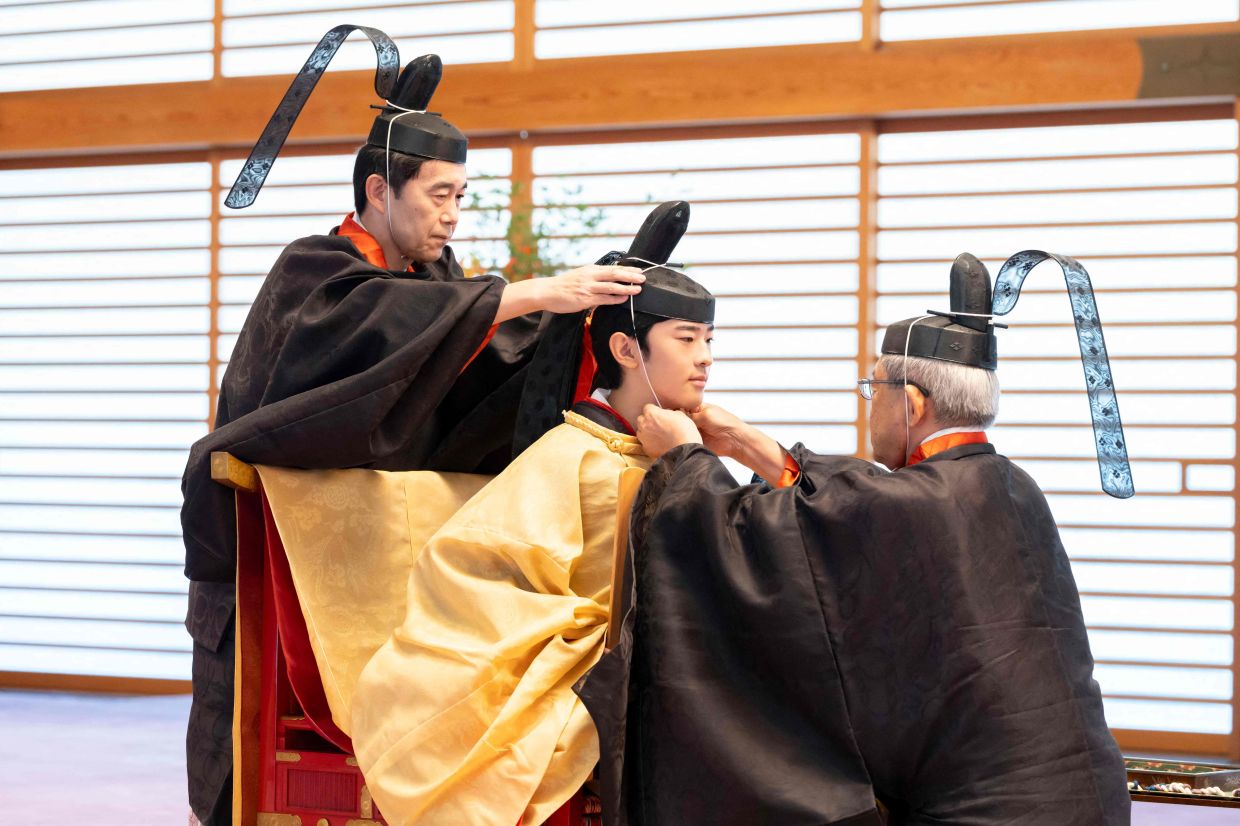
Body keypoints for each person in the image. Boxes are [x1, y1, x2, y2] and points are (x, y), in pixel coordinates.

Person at [180, 44, 643, 826]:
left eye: (462, 195)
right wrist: (527, 292)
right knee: (239, 769)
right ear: (378, 190)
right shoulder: (314, 273)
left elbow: (489, 371)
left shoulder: (437, 287)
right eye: (439, 195)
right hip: (276, 557)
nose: (453, 213)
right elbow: (377, 334)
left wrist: (580, 322)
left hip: (372, 555)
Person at [578, 253, 1131, 825]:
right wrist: (744, 443)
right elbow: (847, 510)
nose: (872, 405)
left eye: (875, 390)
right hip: (1094, 792)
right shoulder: (1011, 486)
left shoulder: (916, 503)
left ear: (912, 404)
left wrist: (684, 461)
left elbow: (772, 537)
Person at [348, 264, 715, 826]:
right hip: (606, 664)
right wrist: (601, 631)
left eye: (709, 340)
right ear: (624, 347)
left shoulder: (682, 446)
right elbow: (468, 564)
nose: (705, 357)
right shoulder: (571, 452)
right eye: (686, 339)